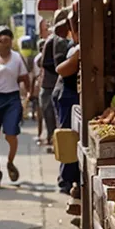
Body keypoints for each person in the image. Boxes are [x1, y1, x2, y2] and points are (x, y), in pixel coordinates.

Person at [0, 25, 30, 188]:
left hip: (12, 99)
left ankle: (10, 162)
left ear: (11, 42)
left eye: (7, 40)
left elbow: (24, 77)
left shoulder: (16, 58)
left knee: (11, 135)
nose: (4, 44)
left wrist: (28, 94)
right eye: (1, 40)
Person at [54, 1, 81, 195]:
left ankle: (70, 179)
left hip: (70, 94)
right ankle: (66, 180)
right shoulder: (68, 45)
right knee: (67, 137)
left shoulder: (74, 44)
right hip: (67, 94)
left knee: (71, 137)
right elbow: (61, 70)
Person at [39, 9, 70, 148]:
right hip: (50, 86)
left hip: (52, 85)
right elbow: (47, 63)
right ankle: (55, 144)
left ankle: (55, 143)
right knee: (52, 118)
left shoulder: (58, 39)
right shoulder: (54, 40)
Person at [32, 39, 45, 142]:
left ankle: (41, 134)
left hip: (40, 87)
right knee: (40, 114)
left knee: (41, 114)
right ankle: (40, 134)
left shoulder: (39, 58)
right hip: (40, 87)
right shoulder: (39, 58)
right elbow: (34, 75)